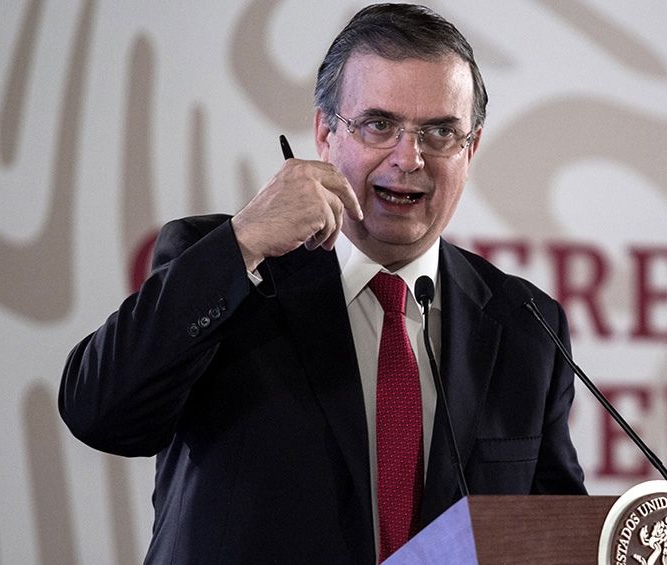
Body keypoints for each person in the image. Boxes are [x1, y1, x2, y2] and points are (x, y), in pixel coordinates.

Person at [59, 4, 585, 564]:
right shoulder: (227, 265)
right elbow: (100, 415)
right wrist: (243, 243)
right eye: (379, 125)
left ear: (471, 149)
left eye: (440, 132)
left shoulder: (525, 323)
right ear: (325, 133)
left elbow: (556, 537)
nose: (410, 159)